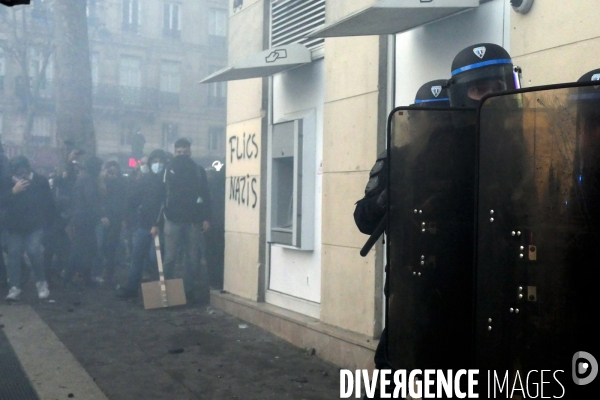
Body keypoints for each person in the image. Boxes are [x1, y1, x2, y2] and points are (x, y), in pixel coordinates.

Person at [160, 138, 212, 303]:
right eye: (179, 152)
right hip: (172, 220)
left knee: (192, 258)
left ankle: (187, 291)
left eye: (185, 151)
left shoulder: (198, 170)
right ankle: (166, 291)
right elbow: (161, 195)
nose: (182, 154)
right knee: (170, 257)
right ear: (175, 152)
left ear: (190, 151)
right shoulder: (167, 170)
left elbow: (205, 195)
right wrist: (158, 220)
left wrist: (206, 217)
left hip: (192, 221)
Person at [0, 156, 55, 300]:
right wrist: (13, 191)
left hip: (34, 226)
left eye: (22, 169)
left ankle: (41, 283)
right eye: (17, 171)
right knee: (13, 255)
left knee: (34, 251)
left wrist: (47, 223)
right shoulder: (7, 181)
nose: (20, 173)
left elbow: (48, 203)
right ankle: (15, 287)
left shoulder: (40, 180)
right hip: (14, 227)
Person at [116, 149, 167, 298]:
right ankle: (132, 288)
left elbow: (164, 204)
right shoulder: (145, 180)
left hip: (160, 226)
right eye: (155, 161)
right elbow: (132, 200)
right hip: (144, 225)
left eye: (160, 161)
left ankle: (156, 289)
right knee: (137, 258)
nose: (158, 164)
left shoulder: (166, 181)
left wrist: (157, 223)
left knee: (155, 257)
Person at [64, 156, 109, 287]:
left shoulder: (83, 178)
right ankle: (71, 277)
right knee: (82, 249)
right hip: (85, 219)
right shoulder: (89, 180)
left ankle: (82, 277)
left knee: (85, 249)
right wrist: (101, 214)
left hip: (81, 218)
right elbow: (91, 200)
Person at [94, 160, 127, 284]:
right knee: (100, 245)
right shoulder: (100, 182)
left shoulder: (121, 182)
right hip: (103, 218)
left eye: (114, 170)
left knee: (112, 246)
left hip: (116, 218)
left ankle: (109, 272)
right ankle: (98, 271)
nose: (112, 173)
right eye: (110, 170)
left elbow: (124, 198)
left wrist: (115, 180)